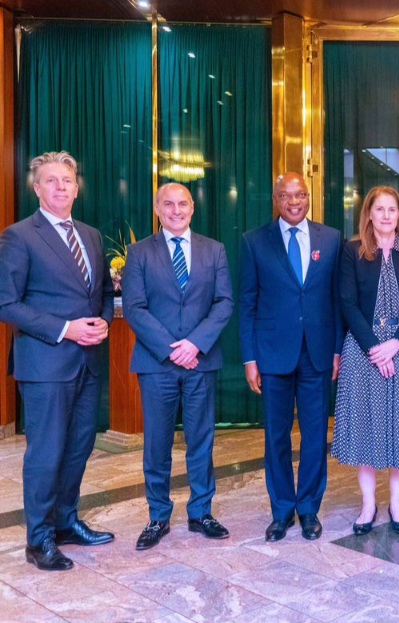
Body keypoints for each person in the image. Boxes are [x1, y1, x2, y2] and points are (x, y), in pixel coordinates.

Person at [0, 151, 115, 571]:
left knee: (79, 448)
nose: (61, 187)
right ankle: (39, 539)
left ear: (76, 187)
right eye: (51, 181)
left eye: (67, 180)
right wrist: (67, 328)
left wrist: (102, 322)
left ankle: (66, 522)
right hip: (46, 364)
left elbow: (102, 293)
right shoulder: (19, 236)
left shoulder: (91, 235)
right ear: (37, 188)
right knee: (46, 453)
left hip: (88, 363)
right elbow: (6, 303)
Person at [122, 183, 234, 551]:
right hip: (157, 363)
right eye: (168, 204)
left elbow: (223, 303)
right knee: (157, 443)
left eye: (182, 204)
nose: (176, 210)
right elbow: (135, 307)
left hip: (201, 361)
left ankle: (201, 512)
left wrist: (195, 344)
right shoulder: (139, 252)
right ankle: (158, 516)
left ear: (192, 209)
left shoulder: (213, 249)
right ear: (157, 208)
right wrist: (172, 349)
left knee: (201, 441)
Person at [239, 172, 344, 542]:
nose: (294, 201)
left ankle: (309, 509)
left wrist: (336, 351)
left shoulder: (331, 239)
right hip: (272, 355)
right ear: (276, 199)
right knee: (276, 437)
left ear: (309, 197)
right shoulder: (254, 242)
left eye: (300, 194)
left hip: (317, 354)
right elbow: (247, 303)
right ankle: (282, 510)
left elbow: (337, 300)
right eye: (286, 195)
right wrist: (250, 359)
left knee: (315, 435)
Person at [332, 185, 399, 535]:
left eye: (393, 209)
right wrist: (376, 347)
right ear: (369, 214)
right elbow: (347, 303)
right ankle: (368, 505)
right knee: (367, 429)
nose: (387, 215)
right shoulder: (352, 251)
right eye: (380, 209)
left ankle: (398, 505)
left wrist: (395, 345)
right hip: (363, 350)